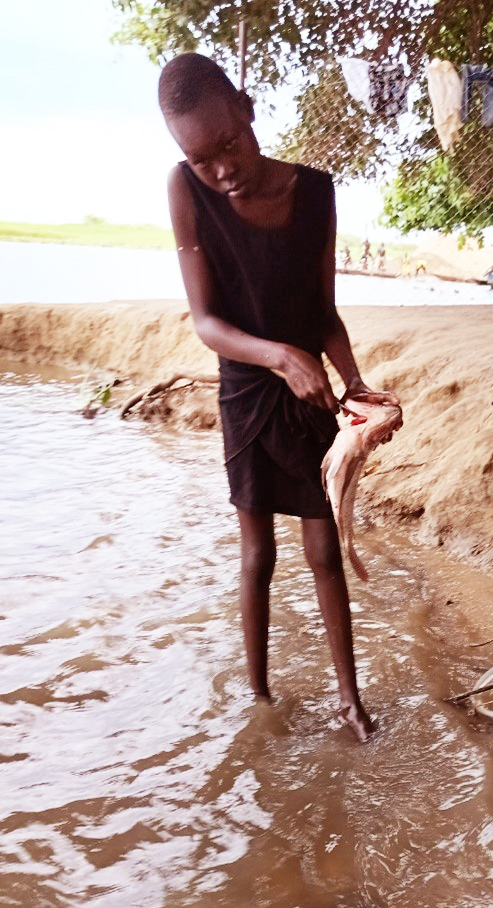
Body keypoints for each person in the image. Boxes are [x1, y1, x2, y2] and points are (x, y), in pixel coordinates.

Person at [158, 52, 400, 741]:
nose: (221, 169)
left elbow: (323, 312)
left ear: (247, 108)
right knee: (256, 553)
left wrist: (352, 383)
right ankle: (259, 699)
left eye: (228, 145)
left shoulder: (317, 192)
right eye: (203, 159)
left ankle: (349, 700)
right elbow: (207, 323)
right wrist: (276, 357)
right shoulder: (185, 189)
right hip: (246, 393)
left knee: (325, 552)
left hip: (311, 397)